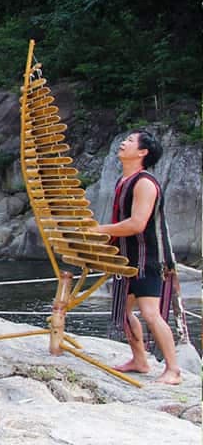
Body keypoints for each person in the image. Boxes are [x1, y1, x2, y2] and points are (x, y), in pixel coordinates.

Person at [91, 130, 181, 385]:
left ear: (142, 152)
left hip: (149, 257)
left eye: (130, 141)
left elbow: (137, 224)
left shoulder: (144, 182)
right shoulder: (124, 180)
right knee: (125, 310)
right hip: (128, 256)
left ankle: (173, 370)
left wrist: (99, 230)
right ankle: (139, 359)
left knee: (150, 313)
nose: (123, 142)